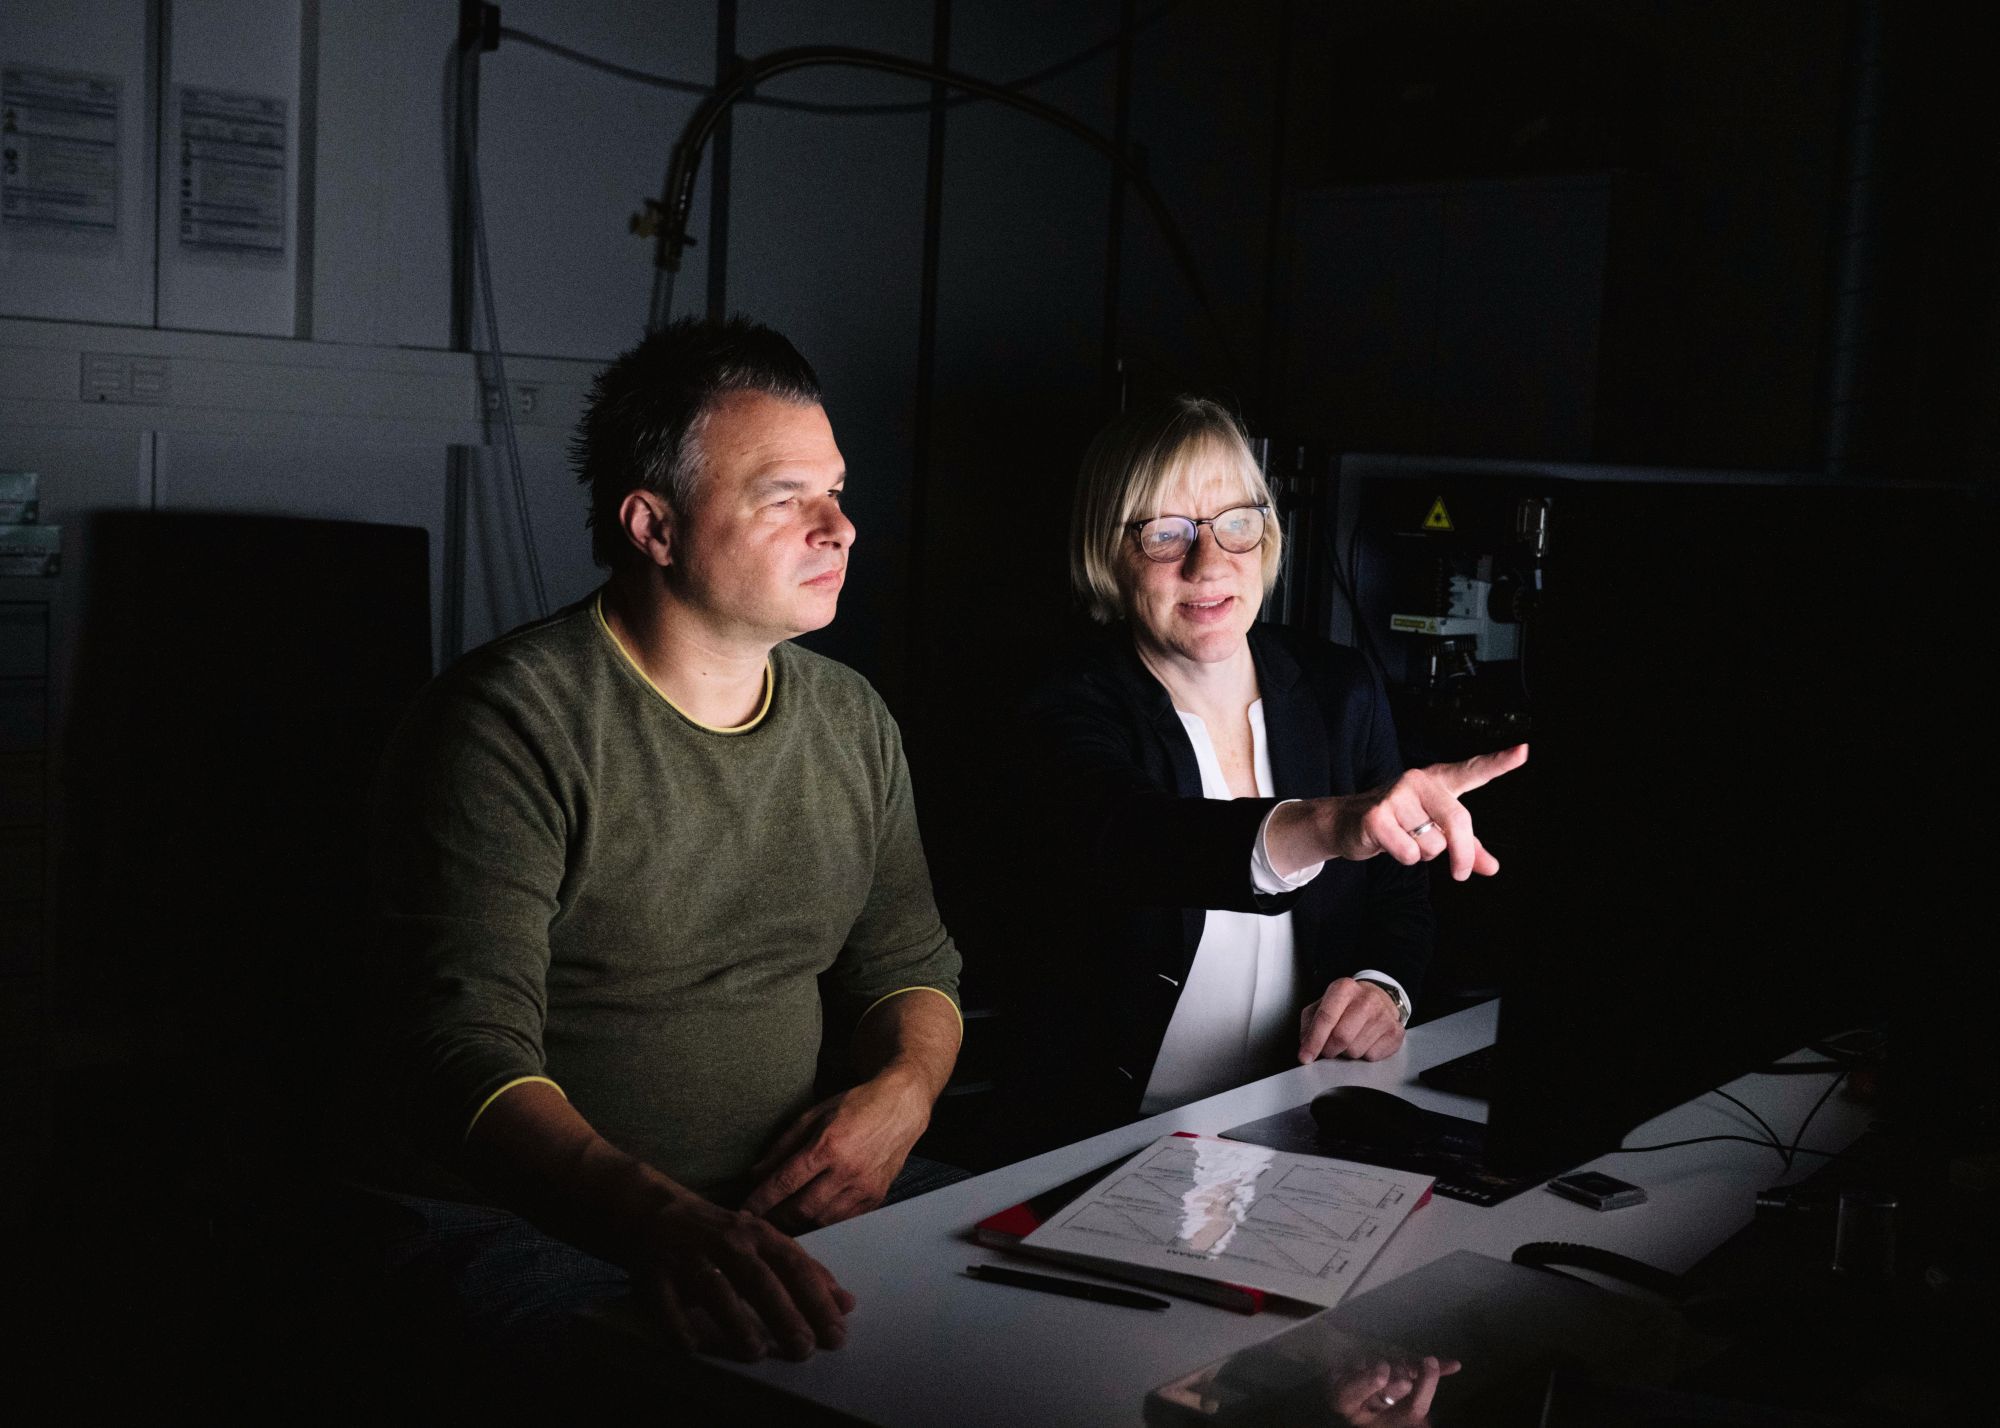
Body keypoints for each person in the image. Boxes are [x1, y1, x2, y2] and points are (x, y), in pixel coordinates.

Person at [358, 316, 963, 1381]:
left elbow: (910, 966)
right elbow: (462, 1052)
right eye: (785, 498)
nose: (840, 528)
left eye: (835, 491)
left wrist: (904, 1096)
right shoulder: (508, 723)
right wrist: (666, 1224)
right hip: (529, 1220)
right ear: (654, 526)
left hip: (779, 1196)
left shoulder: (852, 719)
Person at [1022, 395, 1524, 1134]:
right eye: (1164, 533)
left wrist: (1383, 991)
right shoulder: (1060, 702)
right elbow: (1133, 838)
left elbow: (1397, 902)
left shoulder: (1340, 688)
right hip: (1110, 1137)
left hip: (1301, 1116)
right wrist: (1328, 825)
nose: (1209, 563)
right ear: (1106, 552)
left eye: (1236, 523)